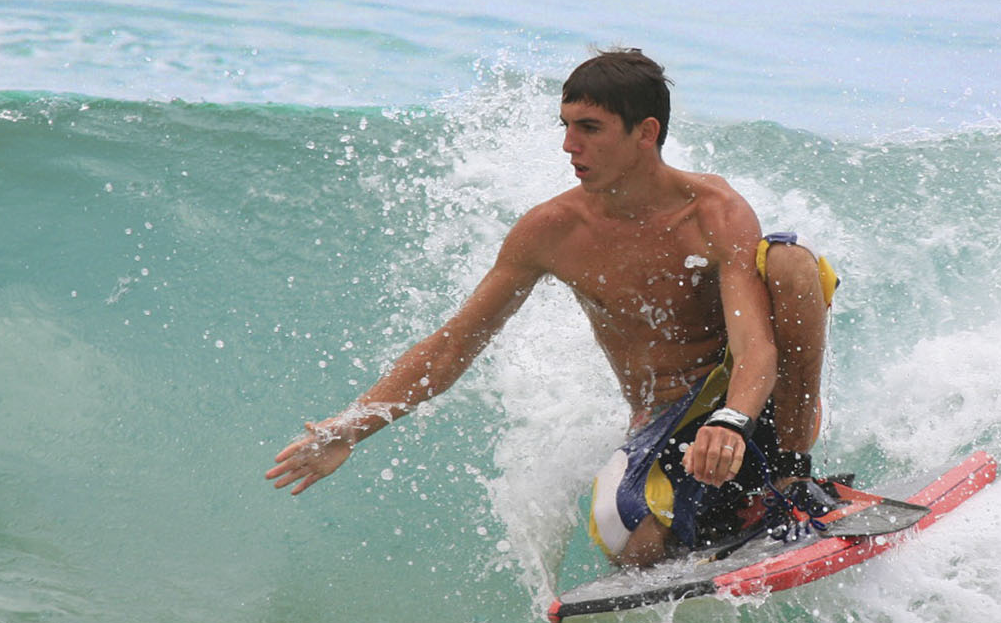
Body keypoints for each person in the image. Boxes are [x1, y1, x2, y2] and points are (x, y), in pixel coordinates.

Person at [266, 49, 838, 567]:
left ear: (646, 132)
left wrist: (732, 420)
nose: (569, 146)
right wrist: (352, 428)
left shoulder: (713, 211)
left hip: (751, 402)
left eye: (589, 129)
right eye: (565, 127)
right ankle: (714, 515)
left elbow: (754, 346)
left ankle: (790, 480)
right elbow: (452, 346)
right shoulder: (552, 232)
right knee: (630, 545)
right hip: (664, 422)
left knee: (789, 262)